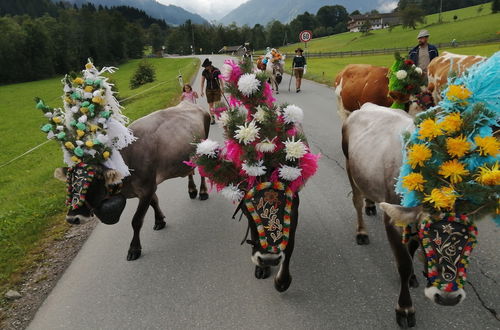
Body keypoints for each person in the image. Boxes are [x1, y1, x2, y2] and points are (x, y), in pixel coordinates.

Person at [200, 58, 223, 124]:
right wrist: (201, 91)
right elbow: (202, 82)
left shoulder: (217, 70)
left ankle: (219, 117)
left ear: (209, 65)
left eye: (205, 66)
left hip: (217, 89)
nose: (205, 68)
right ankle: (212, 118)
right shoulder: (204, 72)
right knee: (211, 105)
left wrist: (222, 88)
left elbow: (221, 80)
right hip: (209, 90)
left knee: (217, 103)